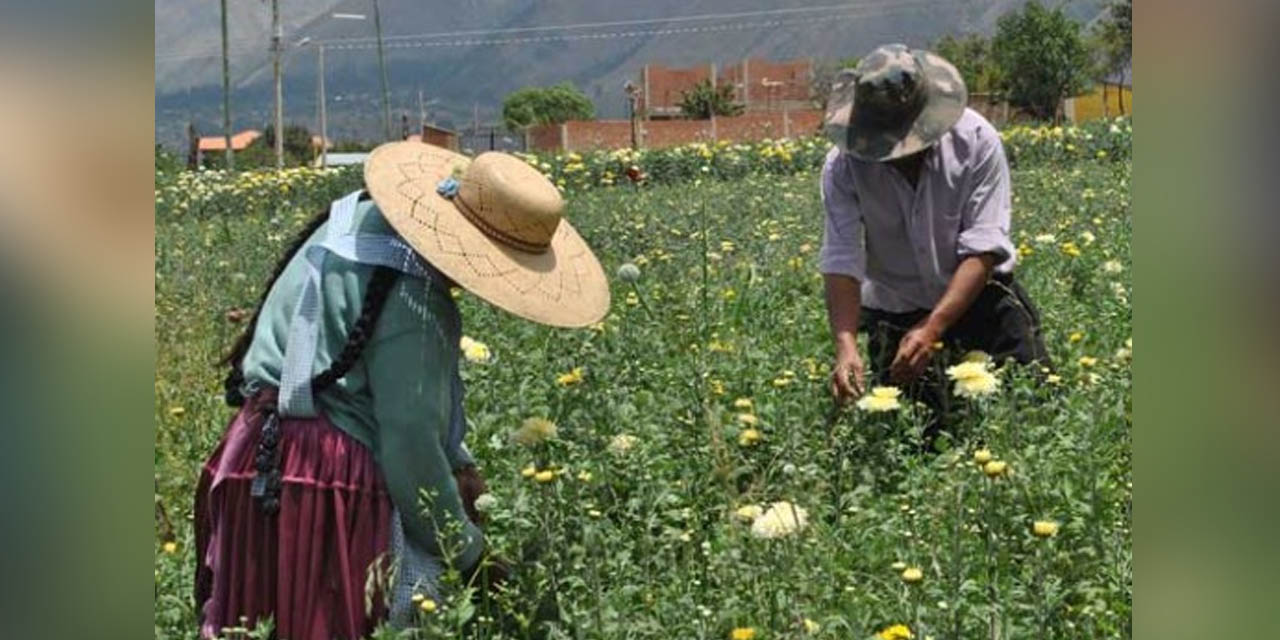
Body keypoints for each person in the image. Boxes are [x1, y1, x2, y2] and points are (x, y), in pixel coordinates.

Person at [194, 144, 610, 640]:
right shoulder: (415, 297)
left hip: (254, 459)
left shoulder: (351, 222)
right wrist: (473, 558)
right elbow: (410, 451)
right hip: (326, 484)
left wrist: (458, 460)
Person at [819, 44, 1050, 442]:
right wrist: (845, 346)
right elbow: (842, 257)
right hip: (897, 311)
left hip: (982, 303)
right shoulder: (843, 166)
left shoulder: (976, 140)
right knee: (916, 437)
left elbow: (984, 245)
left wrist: (935, 327)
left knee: (1031, 418)